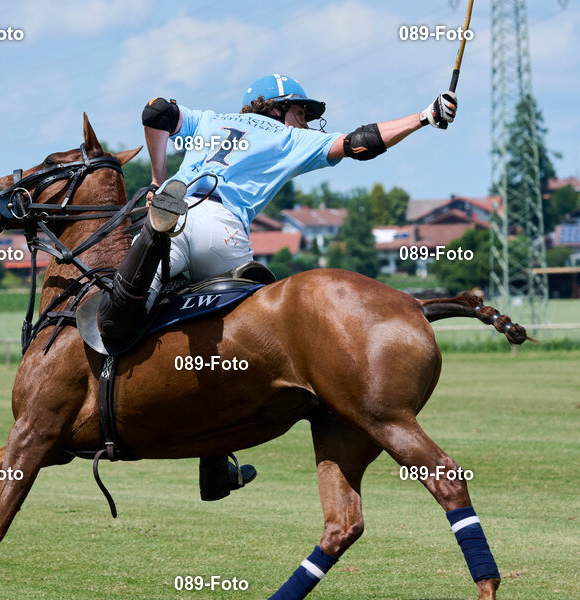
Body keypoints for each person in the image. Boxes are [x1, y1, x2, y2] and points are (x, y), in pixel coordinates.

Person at [98, 74, 458, 501]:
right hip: (223, 231)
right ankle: (215, 465)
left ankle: (107, 402)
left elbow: (156, 110)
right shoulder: (289, 139)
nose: (304, 123)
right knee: (233, 340)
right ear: (275, 109)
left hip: (173, 223)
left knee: (124, 314)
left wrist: (159, 179)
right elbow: (362, 142)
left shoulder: (212, 120)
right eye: (300, 112)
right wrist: (425, 116)